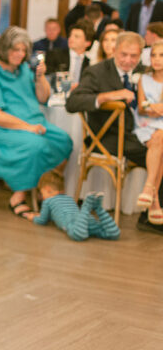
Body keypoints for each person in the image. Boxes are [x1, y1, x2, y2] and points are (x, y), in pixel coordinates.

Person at [66, 31, 163, 235]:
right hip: (108, 136)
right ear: (114, 50)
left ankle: (151, 208)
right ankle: (151, 215)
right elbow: (73, 103)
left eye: (134, 56)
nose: (128, 60)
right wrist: (109, 96)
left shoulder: (144, 73)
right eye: (123, 55)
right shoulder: (97, 72)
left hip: (140, 131)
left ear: (141, 55)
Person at [0, 26, 72, 217]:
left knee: (64, 141)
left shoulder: (25, 70)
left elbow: (43, 98)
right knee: (35, 146)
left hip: (33, 122)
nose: (20, 54)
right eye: (15, 49)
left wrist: (40, 77)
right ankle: (18, 195)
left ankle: (44, 185)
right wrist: (28, 127)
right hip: (2, 128)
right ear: (4, 48)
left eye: (23, 50)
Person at [23, 170, 119, 241]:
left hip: (73, 222)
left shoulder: (48, 201)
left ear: (47, 189)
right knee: (111, 233)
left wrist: (33, 217)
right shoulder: (69, 198)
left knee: (77, 235)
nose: (42, 196)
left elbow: (42, 220)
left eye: (41, 192)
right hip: (85, 219)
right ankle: (98, 208)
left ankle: (86, 206)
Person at [134, 40, 163, 224]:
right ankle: (154, 199)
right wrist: (154, 108)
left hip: (160, 125)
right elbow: (142, 108)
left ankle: (149, 190)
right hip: (146, 124)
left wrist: (154, 107)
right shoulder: (143, 79)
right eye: (154, 55)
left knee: (160, 137)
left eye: (161, 55)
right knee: (159, 138)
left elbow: (151, 107)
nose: (157, 59)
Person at [45, 18, 93, 83]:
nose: (71, 38)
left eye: (76, 36)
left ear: (87, 43)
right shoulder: (55, 55)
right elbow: (48, 79)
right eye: (70, 35)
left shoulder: (90, 63)